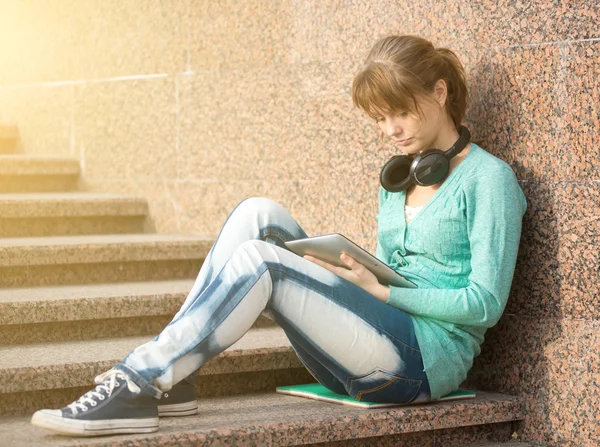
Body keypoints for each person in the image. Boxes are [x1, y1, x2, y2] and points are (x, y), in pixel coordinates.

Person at [30, 34, 527, 437]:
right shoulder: (402, 176)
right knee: (258, 214)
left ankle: (139, 379)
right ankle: (175, 378)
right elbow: (388, 272)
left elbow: (484, 304)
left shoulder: (489, 179)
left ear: (439, 93)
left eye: (400, 113)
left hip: (419, 364)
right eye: (379, 119)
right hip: (371, 341)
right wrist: (354, 275)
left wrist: (383, 290)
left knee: (262, 262)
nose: (390, 131)